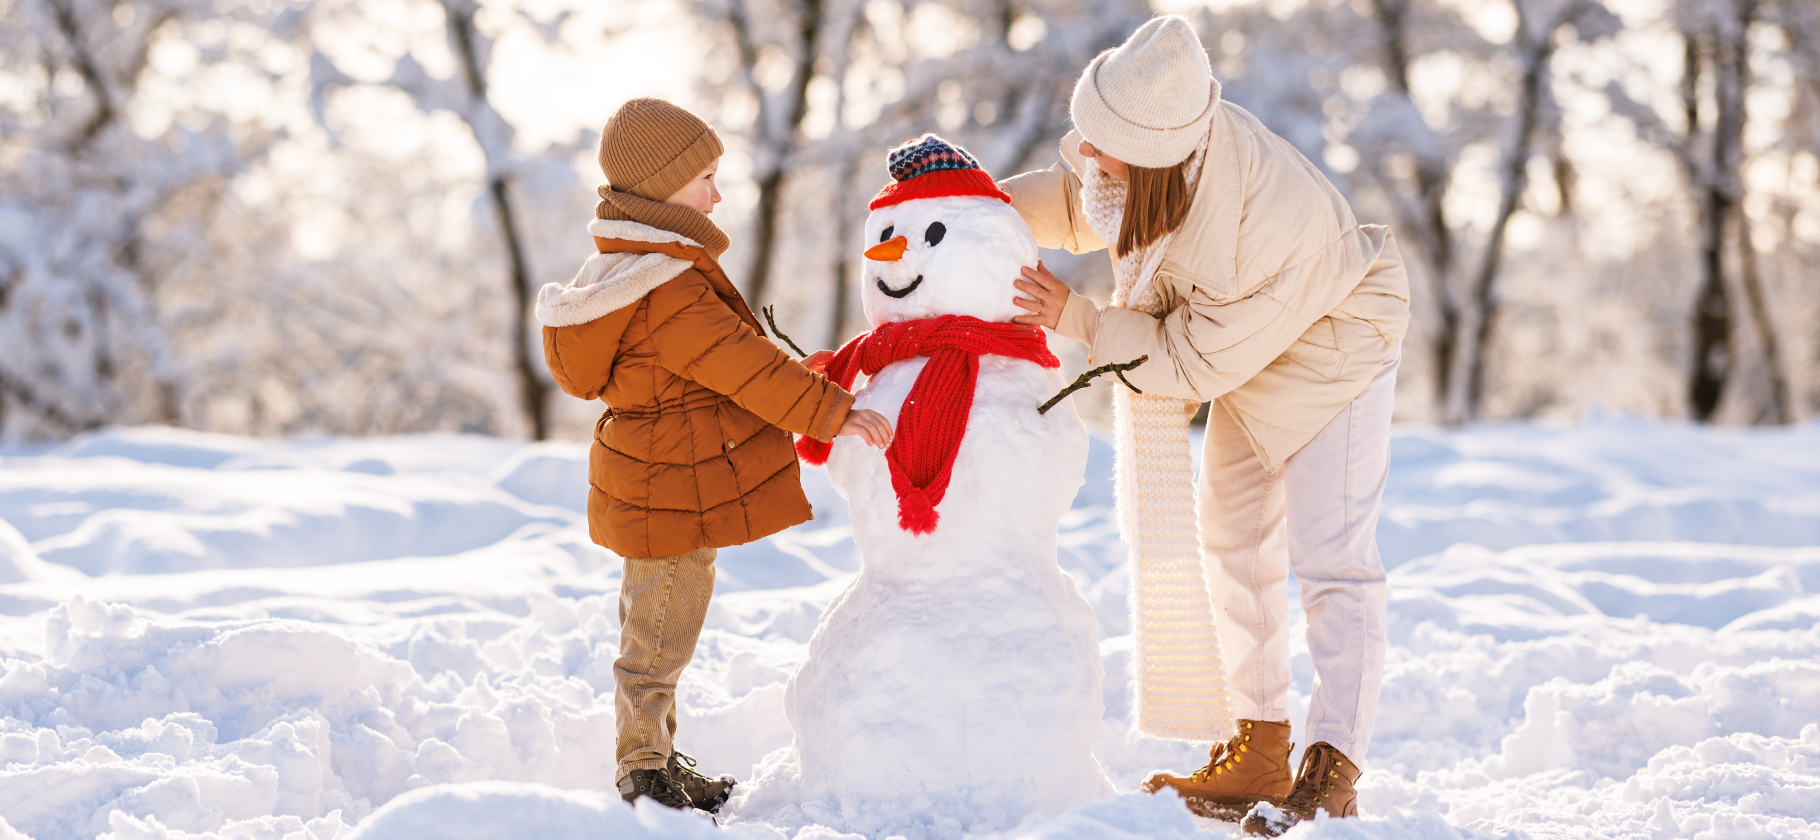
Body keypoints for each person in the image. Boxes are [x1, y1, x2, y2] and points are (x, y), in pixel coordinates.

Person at [1000, 16, 1410, 837]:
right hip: (1254, 347)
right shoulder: (1158, 157)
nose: (1084, 154)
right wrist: (978, 204)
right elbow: (1085, 202)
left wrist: (1079, 317)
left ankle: (1335, 764)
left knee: (1331, 556)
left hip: (1338, 344)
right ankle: (1257, 744)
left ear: (1148, 153)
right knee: (1232, 542)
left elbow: (1187, 367)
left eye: (1099, 143)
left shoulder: (1238, 232)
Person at [536, 98, 892, 813]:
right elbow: (744, 365)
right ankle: (644, 773)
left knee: (656, 628)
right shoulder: (667, 289)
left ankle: (654, 758)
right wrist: (834, 411)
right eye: (705, 175)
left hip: (654, 478)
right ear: (663, 186)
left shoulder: (630, 269)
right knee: (659, 637)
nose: (717, 194)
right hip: (667, 487)